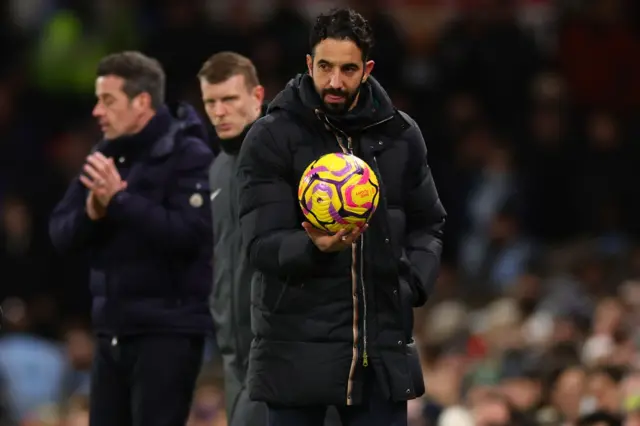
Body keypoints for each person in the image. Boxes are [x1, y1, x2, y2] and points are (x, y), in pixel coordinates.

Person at [237, 7, 446, 426]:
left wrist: (411, 285)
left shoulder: (401, 134)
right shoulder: (271, 136)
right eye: (326, 67)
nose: (335, 81)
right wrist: (311, 246)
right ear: (309, 64)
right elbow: (259, 244)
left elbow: (430, 224)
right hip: (294, 352)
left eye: (348, 69)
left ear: (367, 69)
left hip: (380, 354)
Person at [49, 51, 213, 426]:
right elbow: (60, 232)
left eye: (107, 100)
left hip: (167, 332)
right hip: (111, 331)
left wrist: (120, 202)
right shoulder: (105, 153)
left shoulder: (189, 155)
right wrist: (94, 212)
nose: (96, 111)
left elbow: (191, 235)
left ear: (141, 103)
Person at [198, 51, 267, 426]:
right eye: (211, 102)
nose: (219, 111)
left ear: (257, 96)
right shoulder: (217, 169)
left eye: (229, 99)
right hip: (234, 354)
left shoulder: (284, 155)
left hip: (278, 350)